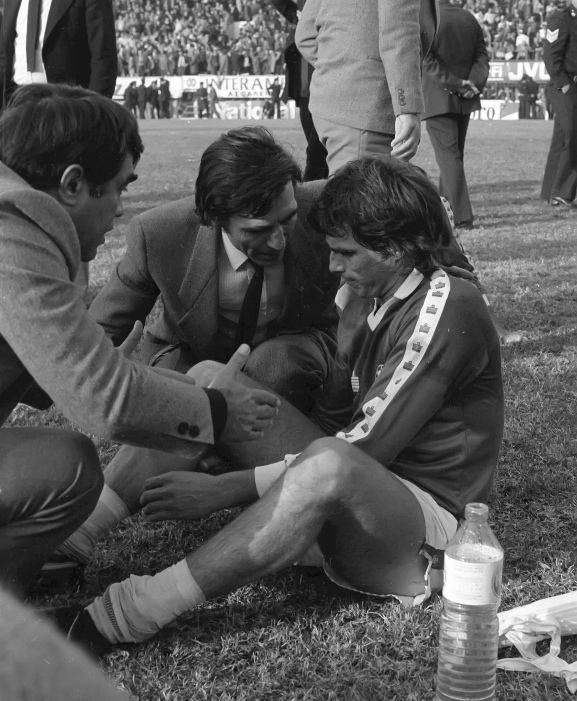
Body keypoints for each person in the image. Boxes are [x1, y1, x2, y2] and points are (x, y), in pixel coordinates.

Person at [51, 157, 504, 655]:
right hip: (362, 487)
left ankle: (132, 612)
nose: (332, 267)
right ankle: (73, 541)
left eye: (346, 254)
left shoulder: (448, 306)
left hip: (424, 533)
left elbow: (361, 450)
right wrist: (229, 432)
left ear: (395, 248)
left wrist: (225, 489)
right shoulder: (364, 294)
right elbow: (331, 423)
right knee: (210, 385)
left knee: (329, 464)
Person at [0, 84, 279, 592]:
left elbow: (32, 363)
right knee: (68, 468)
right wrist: (218, 411)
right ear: (72, 184)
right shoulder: (13, 228)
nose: (121, 209)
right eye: (119, 188)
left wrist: (97, 359)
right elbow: (103, 401)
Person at [295, 0, 437, 173]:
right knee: (363, 189)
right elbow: (399, 31)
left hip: (338, 109)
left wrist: (340, 71)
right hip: (367, 113)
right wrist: (407, 108)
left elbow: (305, 35)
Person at [422, 0, 489, 230]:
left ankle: (461, 216)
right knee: (453, 157)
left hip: (438, 97)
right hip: (465, 98)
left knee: (449, 158)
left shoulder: (427, 18)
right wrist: (473, 83)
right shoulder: (468, 17)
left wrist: (456, 83)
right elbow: (481, 55)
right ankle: (445, 210)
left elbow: (427, 61)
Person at [0, 0, 117, 107]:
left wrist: (95, 111)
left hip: (67, 106)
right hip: (16, 100)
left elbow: (103, 57)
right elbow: (5, 53)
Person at [271, 0, 329, 180]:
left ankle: (313, 189)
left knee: (316, 154)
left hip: (326, 88)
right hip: (306, 90)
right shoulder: (300, 18)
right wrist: (298, 15)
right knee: (317, 151)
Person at [540, 0, 577, 207]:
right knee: (573, 134)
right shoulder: (561, 18)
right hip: (565, 85)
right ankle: (563, 192)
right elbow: (550, 54)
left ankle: (550, 192)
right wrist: (564, 84)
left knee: (562, 138)